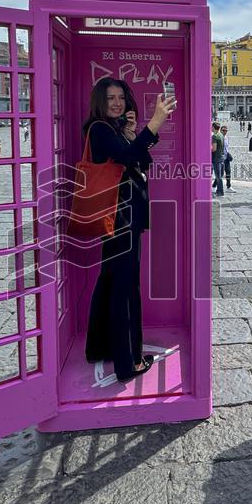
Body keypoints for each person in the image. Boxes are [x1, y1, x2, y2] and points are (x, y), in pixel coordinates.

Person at [83, 77, 175, 382]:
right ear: (100, 101)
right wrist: (156, 122)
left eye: (121, 97)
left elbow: (140, 161)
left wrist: (133, 134)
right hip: (119, 218)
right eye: (110, 98)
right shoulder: (100, 129)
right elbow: (126, 158)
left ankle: (100, 347)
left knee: (110, 280)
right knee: (125, 287)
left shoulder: (114, 130)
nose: (117, 103)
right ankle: (129, 363)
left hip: (121, 217)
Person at [211, 122, 225, 197]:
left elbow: (214, 149)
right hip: (221, 157)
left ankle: (220, 191)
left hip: (216, 158)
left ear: (214, 127)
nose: (211, 128)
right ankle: (219, 190)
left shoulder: (214, 136)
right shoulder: (221, 135)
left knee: (218, 176)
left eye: (211, 126)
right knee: (220, 175)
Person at [221, 125, 235, 192]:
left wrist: (228, 154)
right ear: (220, 130)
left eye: (226, 130)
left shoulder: (226, 137)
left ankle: (228, 186)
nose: (225, 132)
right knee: (220, 173)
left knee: (228, 172)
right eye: (223, 130)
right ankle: (214, 185)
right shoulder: (218, 137)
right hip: (221, 158)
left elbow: (226, 148)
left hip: (226, 157)